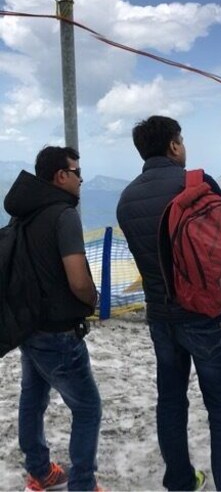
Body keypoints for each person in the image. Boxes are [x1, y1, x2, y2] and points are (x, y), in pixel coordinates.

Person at [116, 116, 221, 491]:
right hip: (205, 315)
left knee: (170, 402)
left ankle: (180, 481)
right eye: (181, 141)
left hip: (161, 317)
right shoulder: (197, 185)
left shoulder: (126, 200)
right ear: (173, 146)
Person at [7, 147, 101, 492]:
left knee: (32, 397)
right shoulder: (63, 215)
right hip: (59, 334)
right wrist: (93, 299)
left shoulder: (26, 213)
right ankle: (83, 484)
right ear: (61, 176)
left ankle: (40, 470)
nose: (80, 179)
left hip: (30, 326)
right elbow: (77, 280)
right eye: (77, 172)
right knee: (88, 408)